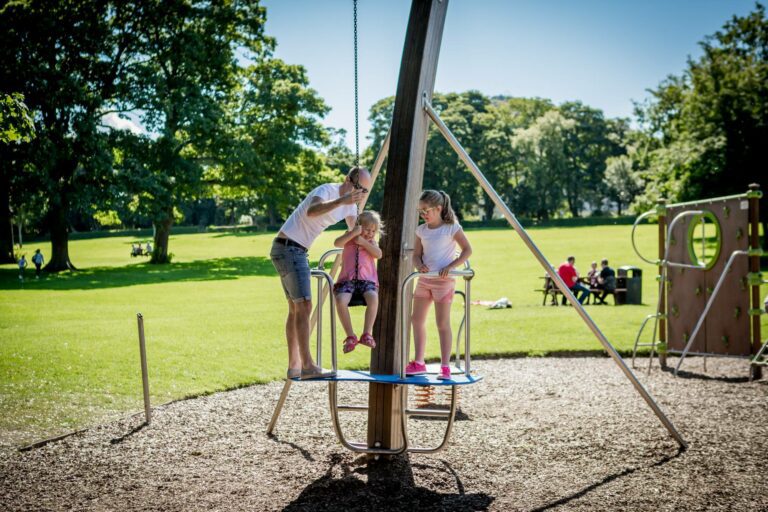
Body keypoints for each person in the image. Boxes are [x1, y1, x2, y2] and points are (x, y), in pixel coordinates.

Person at [270, 167, 370, 380]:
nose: (360, 194)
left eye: (365, 191)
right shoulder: (327, 190)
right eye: (358, 188)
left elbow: (355, 234)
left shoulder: (351, 207)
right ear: (347, 180)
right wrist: (342, 200)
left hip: (293, 249)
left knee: (296, 309)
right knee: (304, 306)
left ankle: (295, 366)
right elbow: (312, 211)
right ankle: (307, 366)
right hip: (289, 247)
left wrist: (369, 242)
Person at [406, 190, 473, 380]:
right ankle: (419, 362)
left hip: (443, 282)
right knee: (416, 320)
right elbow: (416, 255)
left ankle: (445, 366)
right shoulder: (421, 230)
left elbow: (467, 250)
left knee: (442, 323)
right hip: (425, 280)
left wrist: (451, 266)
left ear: (438, 208)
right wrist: (419, 265)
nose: (423, 214)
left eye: (426, 211)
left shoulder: (451, 228)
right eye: (420, 211)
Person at [333, 210, 383, 353]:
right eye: (367, 229)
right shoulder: (348, 238)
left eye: (373, 231)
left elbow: (379, 254)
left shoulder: (371, 242)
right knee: (340, 300)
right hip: (347, 280)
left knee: (373, 297)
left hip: (367, 281)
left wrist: (364, 243)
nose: (370, 233)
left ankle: (367, 333)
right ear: (358, 226)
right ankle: (350, 336)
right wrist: (353, 234)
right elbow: (337, 243)